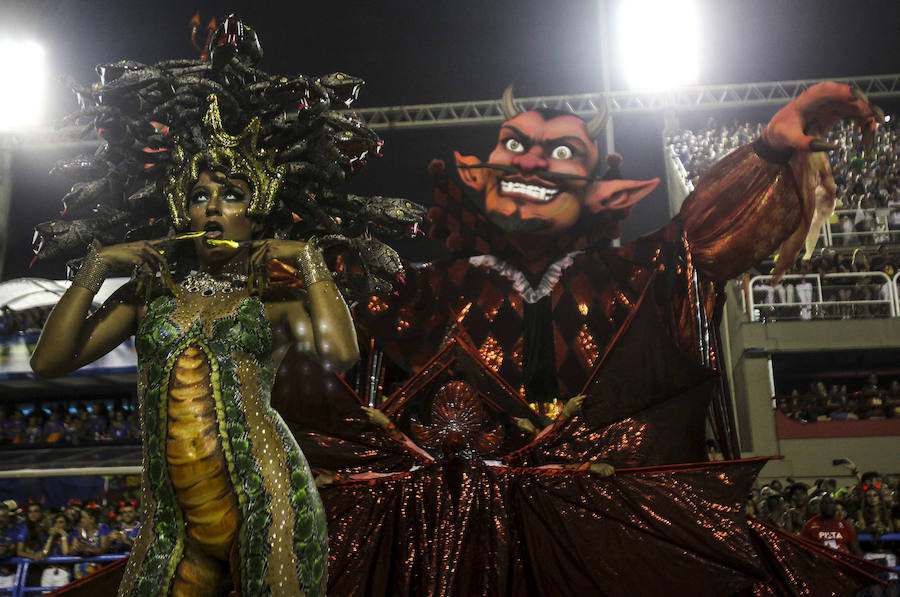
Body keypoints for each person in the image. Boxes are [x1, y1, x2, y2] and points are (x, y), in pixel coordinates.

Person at [280, 83, 884, 594]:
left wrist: (768, 151)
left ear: (603, 192)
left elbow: (704, 242)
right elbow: (331, 349)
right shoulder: (420, 290)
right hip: (444, 543)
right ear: (476, 176)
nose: (531, 162)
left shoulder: (635, 275)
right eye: (513, 145)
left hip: (601, 535)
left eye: (562, 150)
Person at [28, 16, 416, 597]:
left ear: (256, 210)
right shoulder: (148, 296)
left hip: (271, 502)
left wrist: (308, 259)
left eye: (231, 195)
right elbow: (49, 363)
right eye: (199, 195)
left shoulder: (274, 301)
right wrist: (96, 266)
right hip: (171, 522)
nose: (213, 208)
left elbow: (339, 354)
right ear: (182, 212)